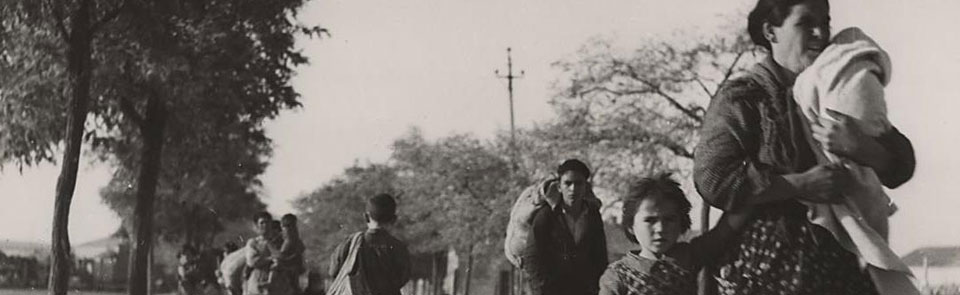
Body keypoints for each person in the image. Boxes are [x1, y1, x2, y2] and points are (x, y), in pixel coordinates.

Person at [693, 0, 916, 294]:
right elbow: (714, 179)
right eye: (805, 23)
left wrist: (864, 148)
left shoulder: (838, 87)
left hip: (843, 267)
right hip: (769, 269)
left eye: (825, 22)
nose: (820, 33)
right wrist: (799, 185)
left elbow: (902, 165)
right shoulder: (744, 97)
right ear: (770, 31)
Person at [598, 174, 752, 295]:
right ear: (631, 226)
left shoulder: (689, 256)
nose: (660, 228)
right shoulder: (618, 275)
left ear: (681, 222)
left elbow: (723, 232)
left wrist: (755, 192)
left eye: (669, 219)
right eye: (650, 220)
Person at [521, 159, 608, 295]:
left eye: (578, 183)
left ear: (585, 187)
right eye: (568, 183)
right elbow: (532, 256)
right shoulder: (546, 215)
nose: (573, 189)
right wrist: (542, 290)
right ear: (559, 187)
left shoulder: (593, 216)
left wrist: (598, 288)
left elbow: (600, 256)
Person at [329, 193, 411, 295]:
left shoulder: (349, 244)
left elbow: (333, 272)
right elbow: (403, 278)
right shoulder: (399, 247)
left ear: (366, 217)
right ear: (394, 219)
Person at [244, 212, 295, 295]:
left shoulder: (281, 241)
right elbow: (252, 261)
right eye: (262, 223)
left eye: (267, 222)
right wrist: (271, 258)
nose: (265, 225)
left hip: (280, 285)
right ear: (257, 226)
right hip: (257, 285)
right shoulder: (253, 243)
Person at [266, 214, 306, 292]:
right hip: (292, 263)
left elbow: (282, 254)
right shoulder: (289, 236)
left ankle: (269, 283)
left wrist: (270, 247)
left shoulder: (290, 238)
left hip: (290, 264)